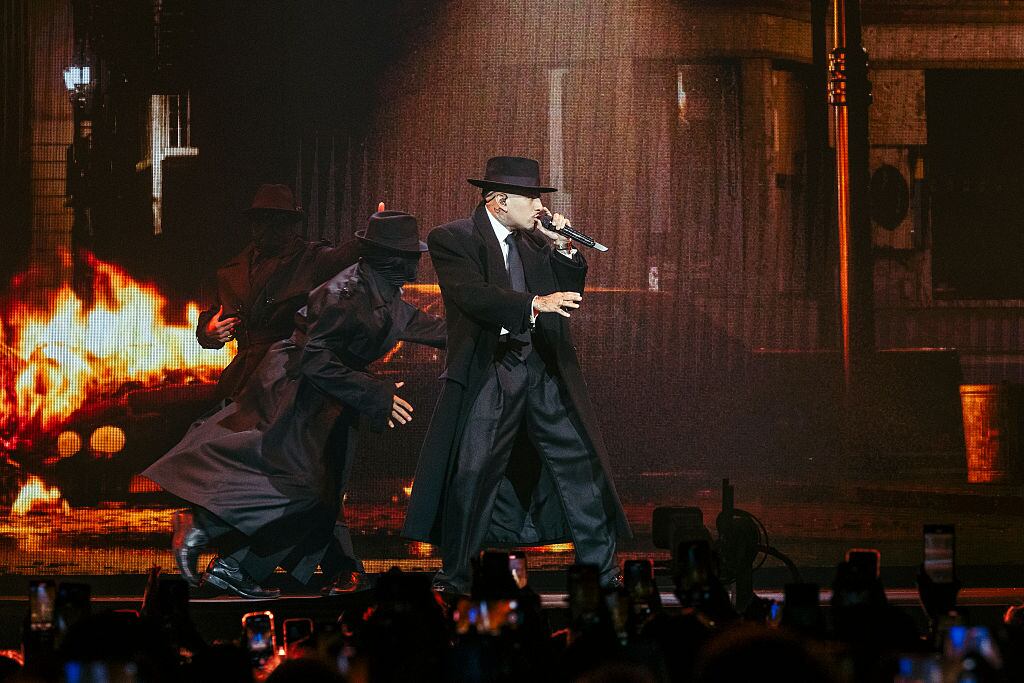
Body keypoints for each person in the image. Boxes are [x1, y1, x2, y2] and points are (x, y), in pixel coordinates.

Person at [144, 210, 446, 598]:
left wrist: (501, 330)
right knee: (303, 491)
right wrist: (375, 394)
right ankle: (216, 539)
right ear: (386, 257)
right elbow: (315, 359)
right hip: (299, 393)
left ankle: (237, 561)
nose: (415, 265)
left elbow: (420, 325)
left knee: (315, 494)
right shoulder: (346, 294)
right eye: (407, 256)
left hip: (330, 395)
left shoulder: (382, 290)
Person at [402, 156, 631, 594]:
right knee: (474, 473)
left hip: (542, 373)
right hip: (492, 371)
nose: (540, 207)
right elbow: (473, 296)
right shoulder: (454, 238)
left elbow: (569, 295)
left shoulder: (534, 242)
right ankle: (456, 577)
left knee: (579, 467)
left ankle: (602, 573)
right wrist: (532, 304)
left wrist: (562, 247)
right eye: (532, 198)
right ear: (500, 200)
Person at [195, 183, 360, 402]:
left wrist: (377, 234)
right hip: (243, 379)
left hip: (289, 375)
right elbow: (214, 318)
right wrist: (209, 331)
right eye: (261, 219)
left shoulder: (310, 258)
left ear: (291, 224)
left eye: (278, 220)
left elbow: (345, 256)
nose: (269, 226)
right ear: (253, 223)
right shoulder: (232, 271)